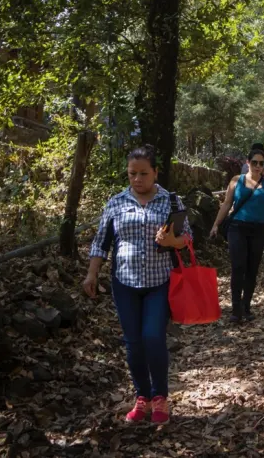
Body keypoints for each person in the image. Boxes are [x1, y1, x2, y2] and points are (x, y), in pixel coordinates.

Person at [83, 144, 191, 425]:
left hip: (159, 282)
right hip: (125, 283)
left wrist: (172, 242)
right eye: (132, 173)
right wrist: (92, 274)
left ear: (155, 172)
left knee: (153, 337)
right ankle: (142, 397)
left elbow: (187, 238)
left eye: (144, 173)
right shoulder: (116, 202)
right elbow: (101, 242)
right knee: (133, 343)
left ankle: (160, 398)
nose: (137, 179)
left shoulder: (170, 201)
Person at [211, 148, 264, 322]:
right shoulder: (237, 180)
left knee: (252, 269)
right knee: (238, 267)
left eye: (261, 163)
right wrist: (216, 224)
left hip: (258, 229)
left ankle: (246, 306)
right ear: (247, 163)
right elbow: (227, 204)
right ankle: (236, 309)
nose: (258, 166)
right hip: (237, 228)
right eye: (254, 162)